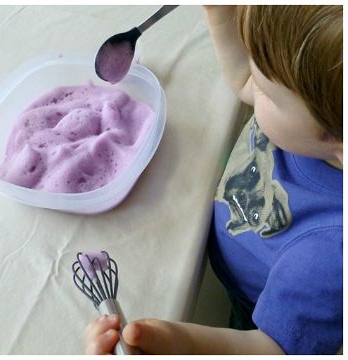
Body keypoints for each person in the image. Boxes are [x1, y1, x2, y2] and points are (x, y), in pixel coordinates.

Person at [85, 5, 342, 355]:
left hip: (259, 312)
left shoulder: (329, 261)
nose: (253, 79)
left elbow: (270, 347)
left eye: (267, 90)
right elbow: (244, 82)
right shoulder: (316, 116)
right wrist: (220, 12)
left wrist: (179, 342)